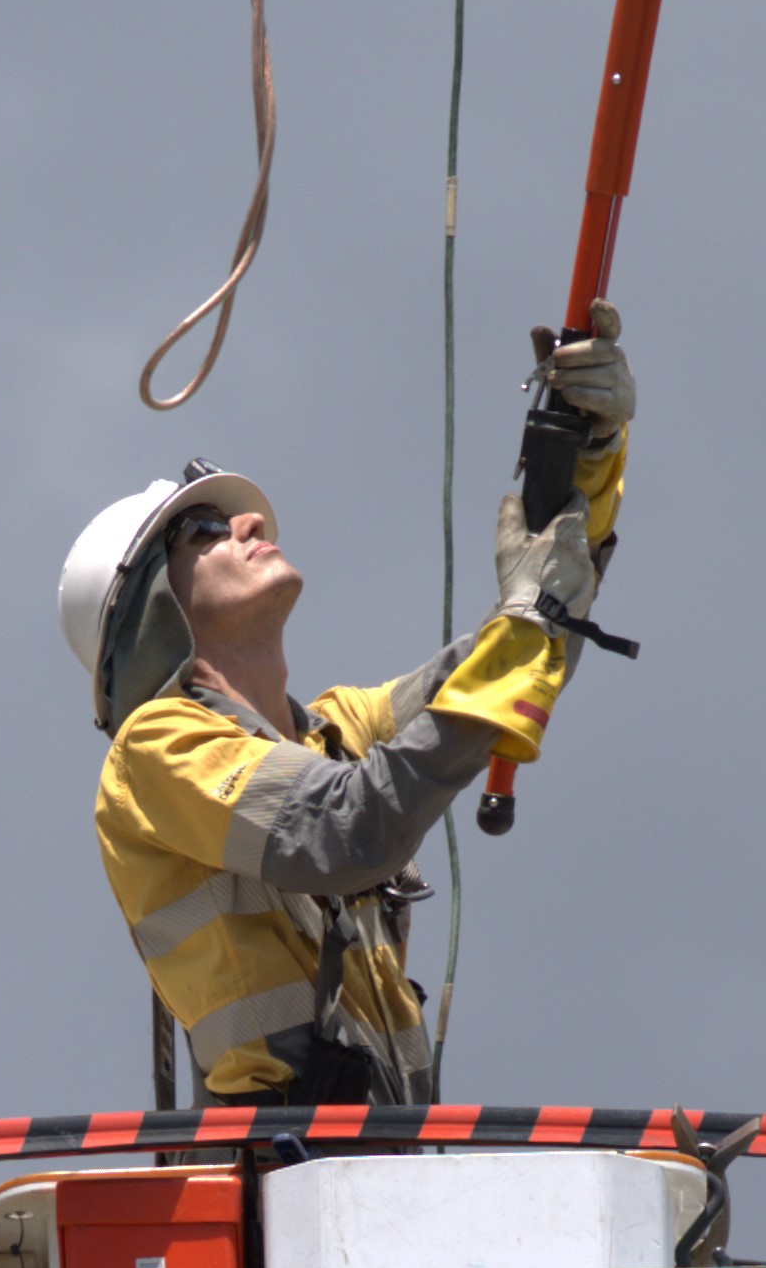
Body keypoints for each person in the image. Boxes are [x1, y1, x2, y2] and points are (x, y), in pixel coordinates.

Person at [61, 309, 634, 1103]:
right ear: (150, 611)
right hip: (286, 1175)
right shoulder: (154, 753)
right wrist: (531, 615)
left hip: (379, 1164)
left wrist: (585, 463)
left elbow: (503, 657)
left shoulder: (336, 731)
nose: (250, 522)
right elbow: (342, 829)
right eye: (205, 531)